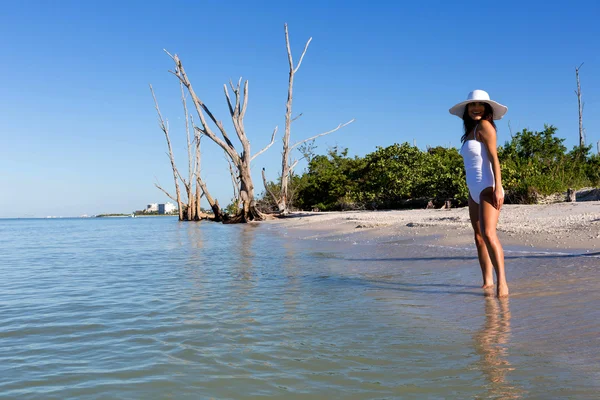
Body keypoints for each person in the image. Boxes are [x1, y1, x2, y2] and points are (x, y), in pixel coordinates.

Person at [450, 90, 509, 297]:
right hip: (473, 190)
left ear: (486, 109)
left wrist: (499, 187)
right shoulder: (470, 132)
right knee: (478, 237)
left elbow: (494, 158)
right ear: (467, 109)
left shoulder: (485, 127)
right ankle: (487, 282)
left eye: (480, 105)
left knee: (489, 234)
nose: (476, 108)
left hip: (487, 187)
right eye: (472, 104)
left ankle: (502, 283)